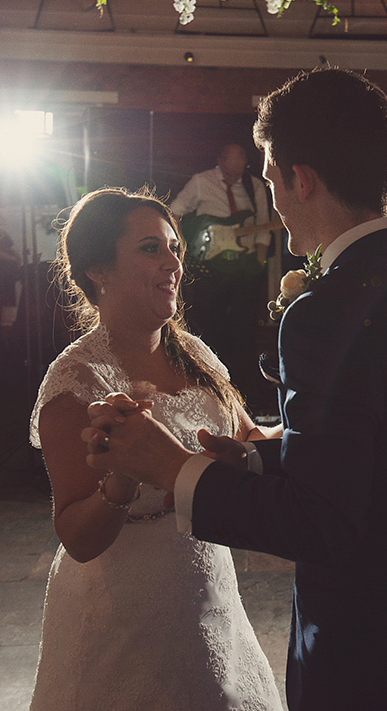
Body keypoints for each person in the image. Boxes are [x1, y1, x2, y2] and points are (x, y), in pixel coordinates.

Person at [84, 68, 387, 711]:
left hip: (381, 655)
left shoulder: (328, 310)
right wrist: (259, 455)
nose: (272, 196)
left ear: (301, 179)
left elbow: (323, 524)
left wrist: (170, 466)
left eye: (272, 176)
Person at [27, 187, 283, 711]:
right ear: (98, 270)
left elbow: (246, 443)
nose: (173, 263)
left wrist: (315, 415)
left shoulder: (195, 355)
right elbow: (77, 536)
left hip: (208, 591)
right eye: (150, 248)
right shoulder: (75, 383)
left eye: (174, 248)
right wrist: (121, 481)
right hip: (122, 612)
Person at [170, 143, 273, 396]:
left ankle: (245, 391)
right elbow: (174, 211)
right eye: (228, 173)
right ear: (220, 160)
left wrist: (259, 265)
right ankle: (209, 387)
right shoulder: (201, 182)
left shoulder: (254, 186)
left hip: (244, 266)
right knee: (208, 327)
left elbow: (264, 226)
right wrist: (190, 242)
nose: (233, 178)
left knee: (244, 330)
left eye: (238, 173)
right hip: (210, 267)